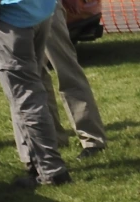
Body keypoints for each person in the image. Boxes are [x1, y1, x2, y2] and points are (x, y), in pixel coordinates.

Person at [0, 0, 68, 186]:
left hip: (11, 20)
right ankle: (35, 164)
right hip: (40, 13)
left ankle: (52, 171)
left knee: (27, 98)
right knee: (26, 94)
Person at [38, 4, 105, 157]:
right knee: (35, 77)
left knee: (67, 70)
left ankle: (92, 139)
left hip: (44, 7)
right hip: (15, 12)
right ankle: (52, 138)